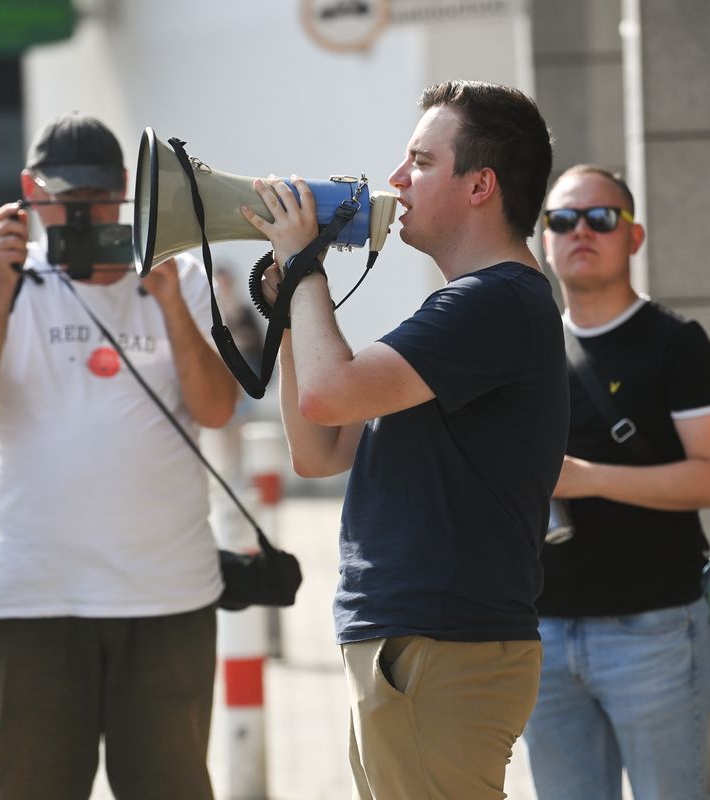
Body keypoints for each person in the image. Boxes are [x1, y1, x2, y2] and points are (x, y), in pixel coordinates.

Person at [241, 80, 568, 799]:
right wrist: (296, 303)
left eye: (419, 161)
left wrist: (304, 266)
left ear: (480, 185)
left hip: (440, 644)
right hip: (422, 644)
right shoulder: (473, 307)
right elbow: (318, 447)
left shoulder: (494, 301)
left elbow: (330, 392)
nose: (394, 182)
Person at [0, 112, 241, 800]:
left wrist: (170, 305)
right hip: (33, 599)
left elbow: (217, 409)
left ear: (126, 189)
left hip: (167, 597)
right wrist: (6, 287)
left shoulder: (177, 274)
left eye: (98, 198)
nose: (84, 213)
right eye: (66, 200)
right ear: (29, 195)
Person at [520, 164, 710, 799]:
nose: (580, 231)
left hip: (656, 629)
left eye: (601, 218)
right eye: (561, 220)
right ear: (544, 240)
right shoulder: (526, 348)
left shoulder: (677, 345)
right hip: (543, 630)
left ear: (634, 237)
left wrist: (588, 479)